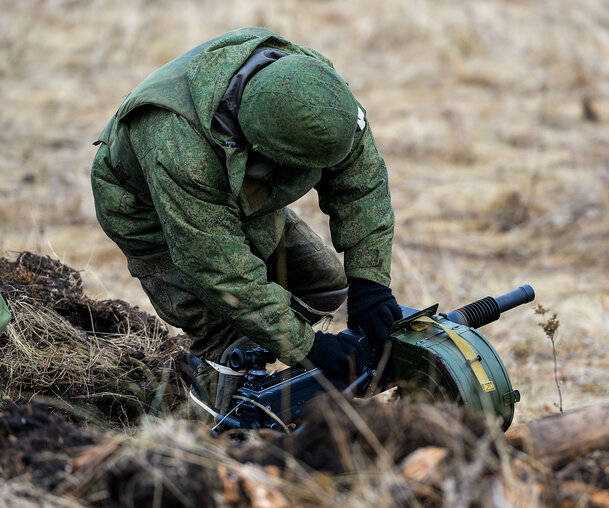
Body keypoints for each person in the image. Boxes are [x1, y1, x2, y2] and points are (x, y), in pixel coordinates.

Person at [90, 27, 402, 418]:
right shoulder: (178, 145)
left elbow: (361, 185)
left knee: (324, 285)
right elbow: (220, 270)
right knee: (230, 342)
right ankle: (204, 434)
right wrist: (306, 347)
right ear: (264, 152)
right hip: (152, 215)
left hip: (244, 198)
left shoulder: (318, 95)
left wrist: (370, 283)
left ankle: (269, 380)